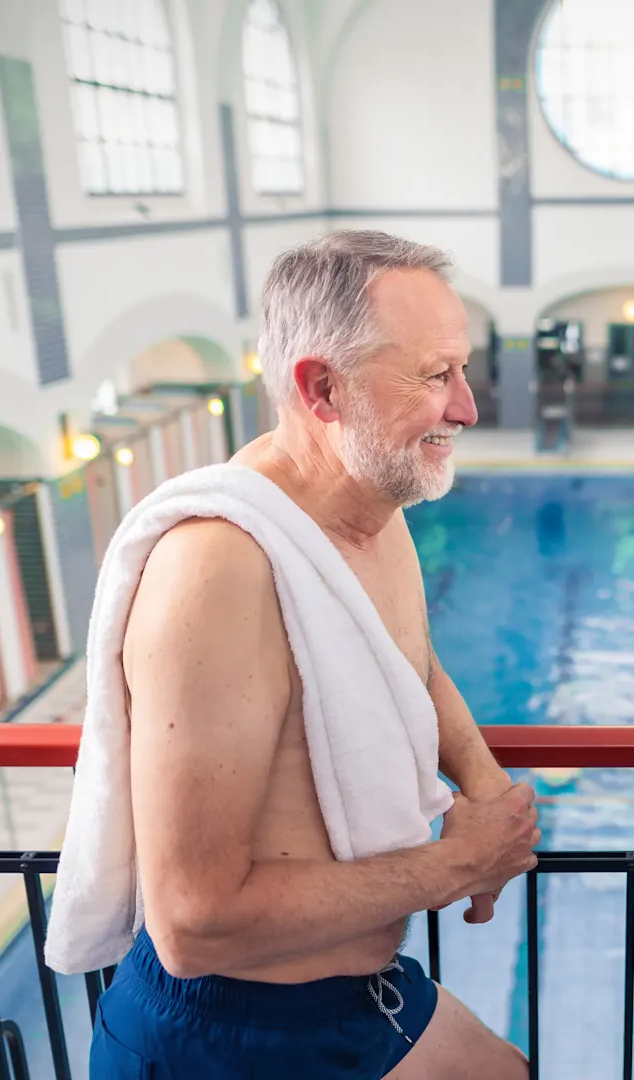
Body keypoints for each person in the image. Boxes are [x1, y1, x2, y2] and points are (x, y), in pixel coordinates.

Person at [88, 231, 536, 1079]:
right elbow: (192, 920)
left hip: (355, 994)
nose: (468, 407)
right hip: (229, 1034)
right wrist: (456, 862)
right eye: (435, 376)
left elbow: (412, 659)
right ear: (322, 387)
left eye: (462, 370)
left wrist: (488, 794)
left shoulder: (376, 509)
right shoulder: (220, 568)